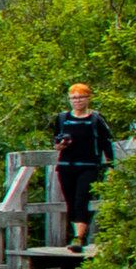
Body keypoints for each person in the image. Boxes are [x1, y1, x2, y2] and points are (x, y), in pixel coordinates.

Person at [51, 82, 118, 249]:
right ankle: (78, 234)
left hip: (89, 165)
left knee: (82, 198)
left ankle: (78, 237)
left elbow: (105, 142)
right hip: (66, 166)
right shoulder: (62, 118)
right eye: (73, 98)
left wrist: (110, 165)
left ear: (88, 98)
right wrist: (61, 145)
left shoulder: (96, 119)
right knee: (71, 201)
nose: (77, 101)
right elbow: (55, 141)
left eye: (81, 97)